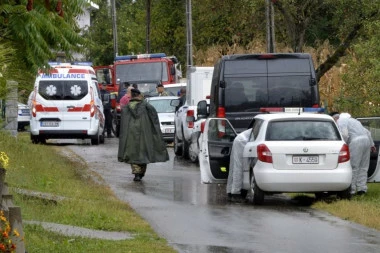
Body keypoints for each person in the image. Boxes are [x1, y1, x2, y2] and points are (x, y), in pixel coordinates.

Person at [118, 88, 169, 182]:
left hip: (130, 135)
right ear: (139, 96)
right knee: (143, 153)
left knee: (132, 153)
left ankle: (136, 173)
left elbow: (122, 124)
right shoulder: (147, 106)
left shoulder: (126, 108)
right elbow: (154, 119)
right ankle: (140, 173)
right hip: (145, 133)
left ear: (132, 96)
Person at [330, 112, 376, 195]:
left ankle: (351, 189)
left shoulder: (341, 121)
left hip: (355, 142)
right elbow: (368, 133)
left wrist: (343, 144)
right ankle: (362, 188)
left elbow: (344, 134)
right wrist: (372, 145)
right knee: (363, 166)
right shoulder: (354, 121)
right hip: (366, 141)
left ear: (335, 118)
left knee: (353, 166)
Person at [227, 128, 253, 202]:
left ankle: (230, 191)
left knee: (234, 166)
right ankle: (236, 194)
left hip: (240, 139)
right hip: (242, 141)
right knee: (240, 166)